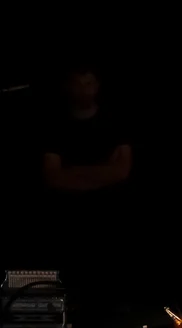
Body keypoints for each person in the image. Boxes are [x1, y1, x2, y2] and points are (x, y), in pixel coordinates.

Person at [39, 64, 133, 306]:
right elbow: (53, 176)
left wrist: (75, 173)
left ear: (97, 86)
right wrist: (102, 174)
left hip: (111, 217)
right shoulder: (54, 126)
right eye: (78, 84)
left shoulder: (114, 122)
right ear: (67, 87)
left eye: (88, 83)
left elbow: (122, 170)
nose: (83, 90)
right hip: (67, 221)